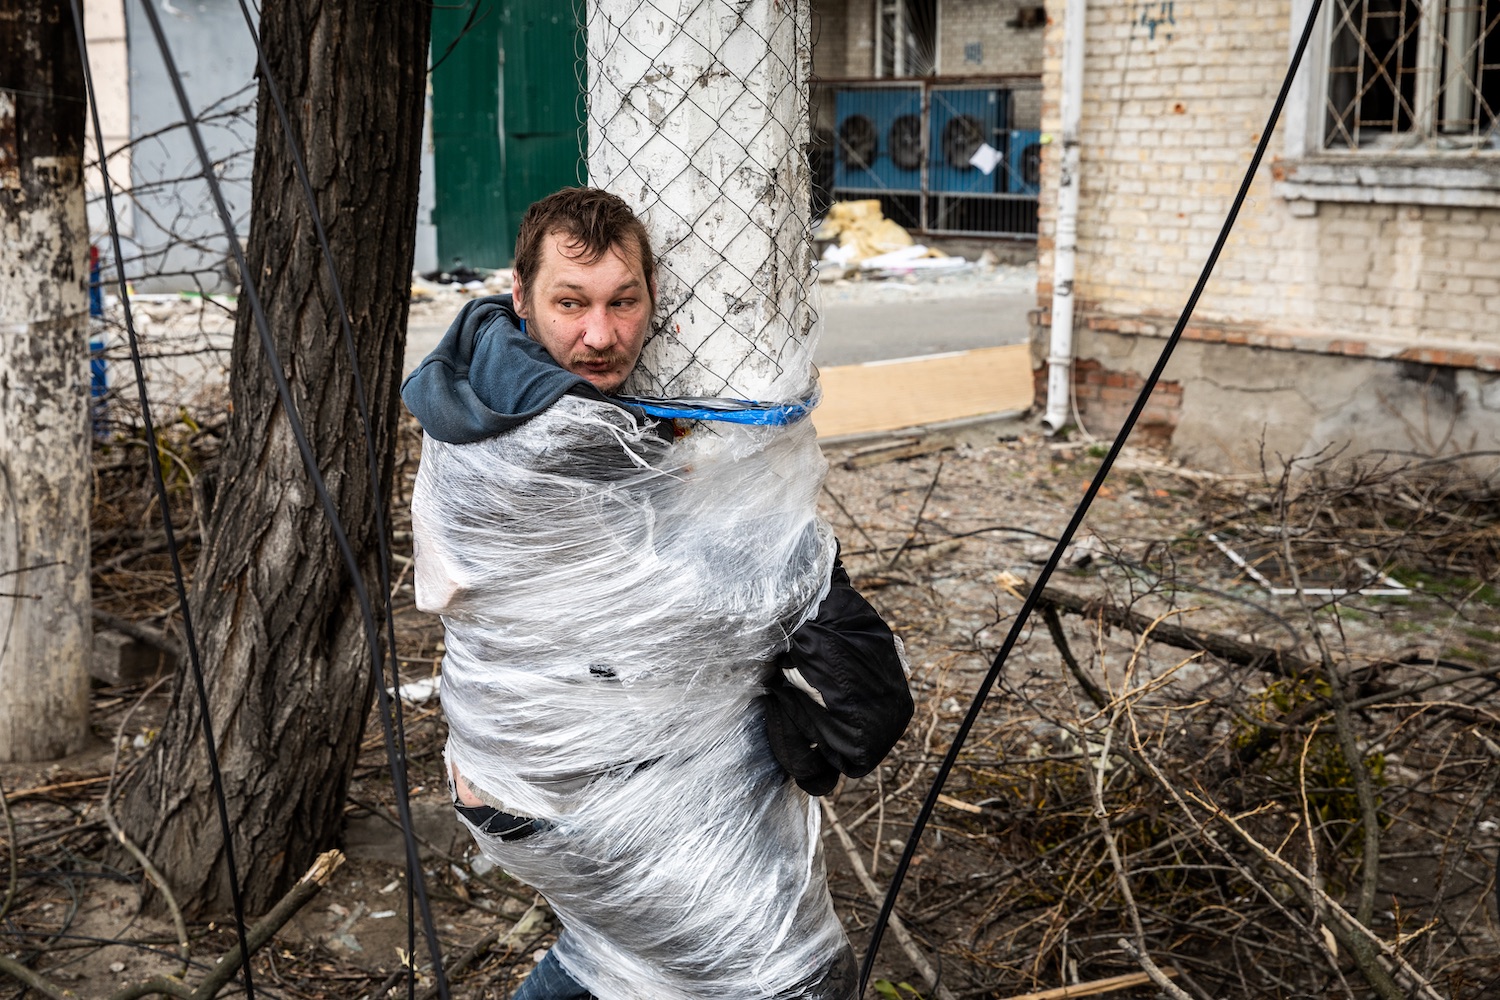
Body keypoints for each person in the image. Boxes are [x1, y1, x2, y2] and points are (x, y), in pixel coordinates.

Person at [401, 187, 913, 1000]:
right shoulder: (539, 442)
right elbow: (704, 599)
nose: (599, 336)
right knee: (792, 977)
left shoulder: (473, 390)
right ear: (520, 300)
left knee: (624, 950)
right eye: (570, 304)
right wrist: (789, 555)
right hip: (569, 794)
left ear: (651, 301)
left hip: (526, 775)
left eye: (622, 302)